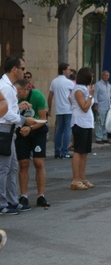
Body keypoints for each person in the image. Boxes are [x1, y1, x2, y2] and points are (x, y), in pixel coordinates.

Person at [0, 56, 36, 215]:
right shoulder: (6, 87)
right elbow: (5, 112)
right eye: (22, 68)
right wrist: (24, 120)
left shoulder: (9, 86)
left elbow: (9, 109)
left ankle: (12, 200)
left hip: (9, 130)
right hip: (4, 129)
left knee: (12, 166)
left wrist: (18, 109)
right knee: (4, 168)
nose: (24, 71)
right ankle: (3, 203)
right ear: (14, 69)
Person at [15, 79, 50, 208]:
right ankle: (23, 196)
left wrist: (29, 129)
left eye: (18, 91)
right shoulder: (14, 99)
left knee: (38, 162)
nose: (16, 94)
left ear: (25, 89)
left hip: (37, 130)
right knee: (23, 163)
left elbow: (43, 119)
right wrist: (23, 129)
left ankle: (41, 195)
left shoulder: (37, 96)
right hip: (21, 130)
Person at [70, 67, 95, 190]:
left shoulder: (85, 88)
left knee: (85, 152)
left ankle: (82, 177)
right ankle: (75, 179)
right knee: (78, 151)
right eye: (91, 75)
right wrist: (90, 96)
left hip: (87, 122)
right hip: (79, 122)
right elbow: (84, 107)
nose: (93, 78)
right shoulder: (79, 89)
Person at [47, 63, 74, 159]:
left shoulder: (54, 81)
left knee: (59, 130)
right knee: (67, 130)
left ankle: (57, 151)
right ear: (63, 71)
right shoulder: (69, 82)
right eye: (68, 69)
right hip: (68, 109)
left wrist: (49, 109)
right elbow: (73, 96)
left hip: (59, 109)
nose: (69, 71)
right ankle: (65, 151)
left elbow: (50, 97)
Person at [93, 70, 111, 144]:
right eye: (105, 75)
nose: (106, 76)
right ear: (102, 76)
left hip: (107, 106)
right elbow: (95, 95)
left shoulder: (108, 85)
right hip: (100, 106)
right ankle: (98, 138)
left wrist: (108, 96)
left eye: (107, 75)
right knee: (99, 122)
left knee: (106, 122)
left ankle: (104, 137)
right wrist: (95, 104)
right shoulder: (98, 84)